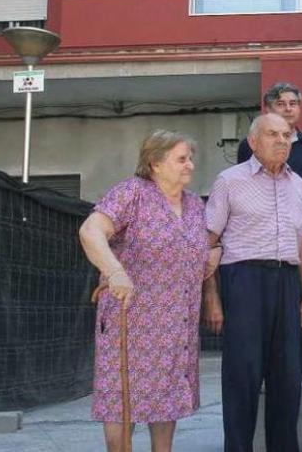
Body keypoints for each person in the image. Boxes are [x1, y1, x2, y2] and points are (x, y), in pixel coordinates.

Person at [79, 130, 213, 452]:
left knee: (167, 402)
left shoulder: (195, 205)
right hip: (132, 321)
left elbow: (203, 249)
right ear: (154, 162)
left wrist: (213, 258)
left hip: (177, 325)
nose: (190, 166)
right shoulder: (132, 193)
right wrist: (114, 271)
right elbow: (90, 230)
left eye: (190, 158)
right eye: (181, 159)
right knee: (121, 407)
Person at [205, 113, 302, 452]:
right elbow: (208, 242)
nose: (282, 140)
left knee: (287, 381)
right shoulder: (229, 180)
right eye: (273, 134)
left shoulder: (298, 184)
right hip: (243, 281)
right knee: (242, 377)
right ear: (253, 142)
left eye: (286, 135)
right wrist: (212, 298)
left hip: (287, 282)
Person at [236, 82, 302, 391]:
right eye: (281, 103)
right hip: (263, 236)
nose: (288, 108)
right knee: (268, 305)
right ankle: (267, 372)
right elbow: (244, 185)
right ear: (268, 108)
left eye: (293, 102)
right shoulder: (249, 144)